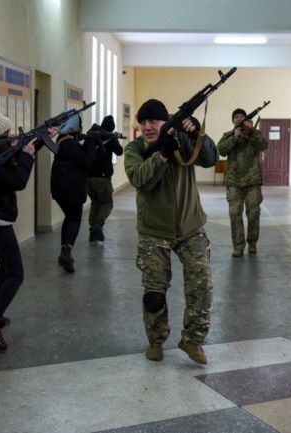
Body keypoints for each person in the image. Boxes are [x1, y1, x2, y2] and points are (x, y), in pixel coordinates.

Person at [124, 98, 217, 365]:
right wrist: (162, 154)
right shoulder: (135, 149)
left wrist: (196, 132)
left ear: (166, 122)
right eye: (143, 122)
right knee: (154, 294)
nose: (148, 126)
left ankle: (193, 340)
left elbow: (210, 159)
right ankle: (155, 340)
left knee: (203, 288)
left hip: (190, 227)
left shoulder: (182, 141)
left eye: (154, 120)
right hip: (154, 231)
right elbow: (141, 179)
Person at [0, 106, 54, 351]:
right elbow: (18, 181)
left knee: (6, 268)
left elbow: (15, 155)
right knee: (16, 274)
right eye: (6, 132)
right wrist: (27, 154)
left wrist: (40, 139)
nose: (11, 136)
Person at [217, 108, 269, 257]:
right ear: (233, 121)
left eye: (242, 117)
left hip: (252, 181)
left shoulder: (254, 134)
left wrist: (250, 132)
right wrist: (234, 138)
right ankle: (238, 246)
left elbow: (263, 145)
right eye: (236, 117)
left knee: (253, 213)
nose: (239, 119)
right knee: (234, 214)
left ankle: (252, 243)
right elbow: (220, 150)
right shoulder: (228, 135)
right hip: (234, 182)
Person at [51, 112, 95, 273]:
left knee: (68, 218)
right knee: (75, 220)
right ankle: (67, 252)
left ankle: (63, 251)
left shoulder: (63, 141)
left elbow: (77, 155)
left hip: (60, 188)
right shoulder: (70, 144)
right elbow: (86, 162)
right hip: (71, 189)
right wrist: (90, 143)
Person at [85, 115, 123, 242]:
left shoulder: (91, 134)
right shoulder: (108, 137)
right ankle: (98, 225)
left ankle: (92, 232)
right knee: (107, 203)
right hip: (102, 178)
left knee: (95, 203)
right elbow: (119, 151)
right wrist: (112, 138)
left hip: (88, 178)